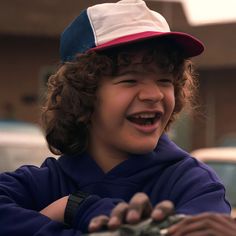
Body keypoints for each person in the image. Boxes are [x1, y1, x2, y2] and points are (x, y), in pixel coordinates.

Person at [0, 0, 231, 235]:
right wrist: (86, 208)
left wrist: (71, 208)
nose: (154, 95)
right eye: (130, 80)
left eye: (165, 80)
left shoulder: (194, 185)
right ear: (81, 95)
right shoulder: (42, 183)